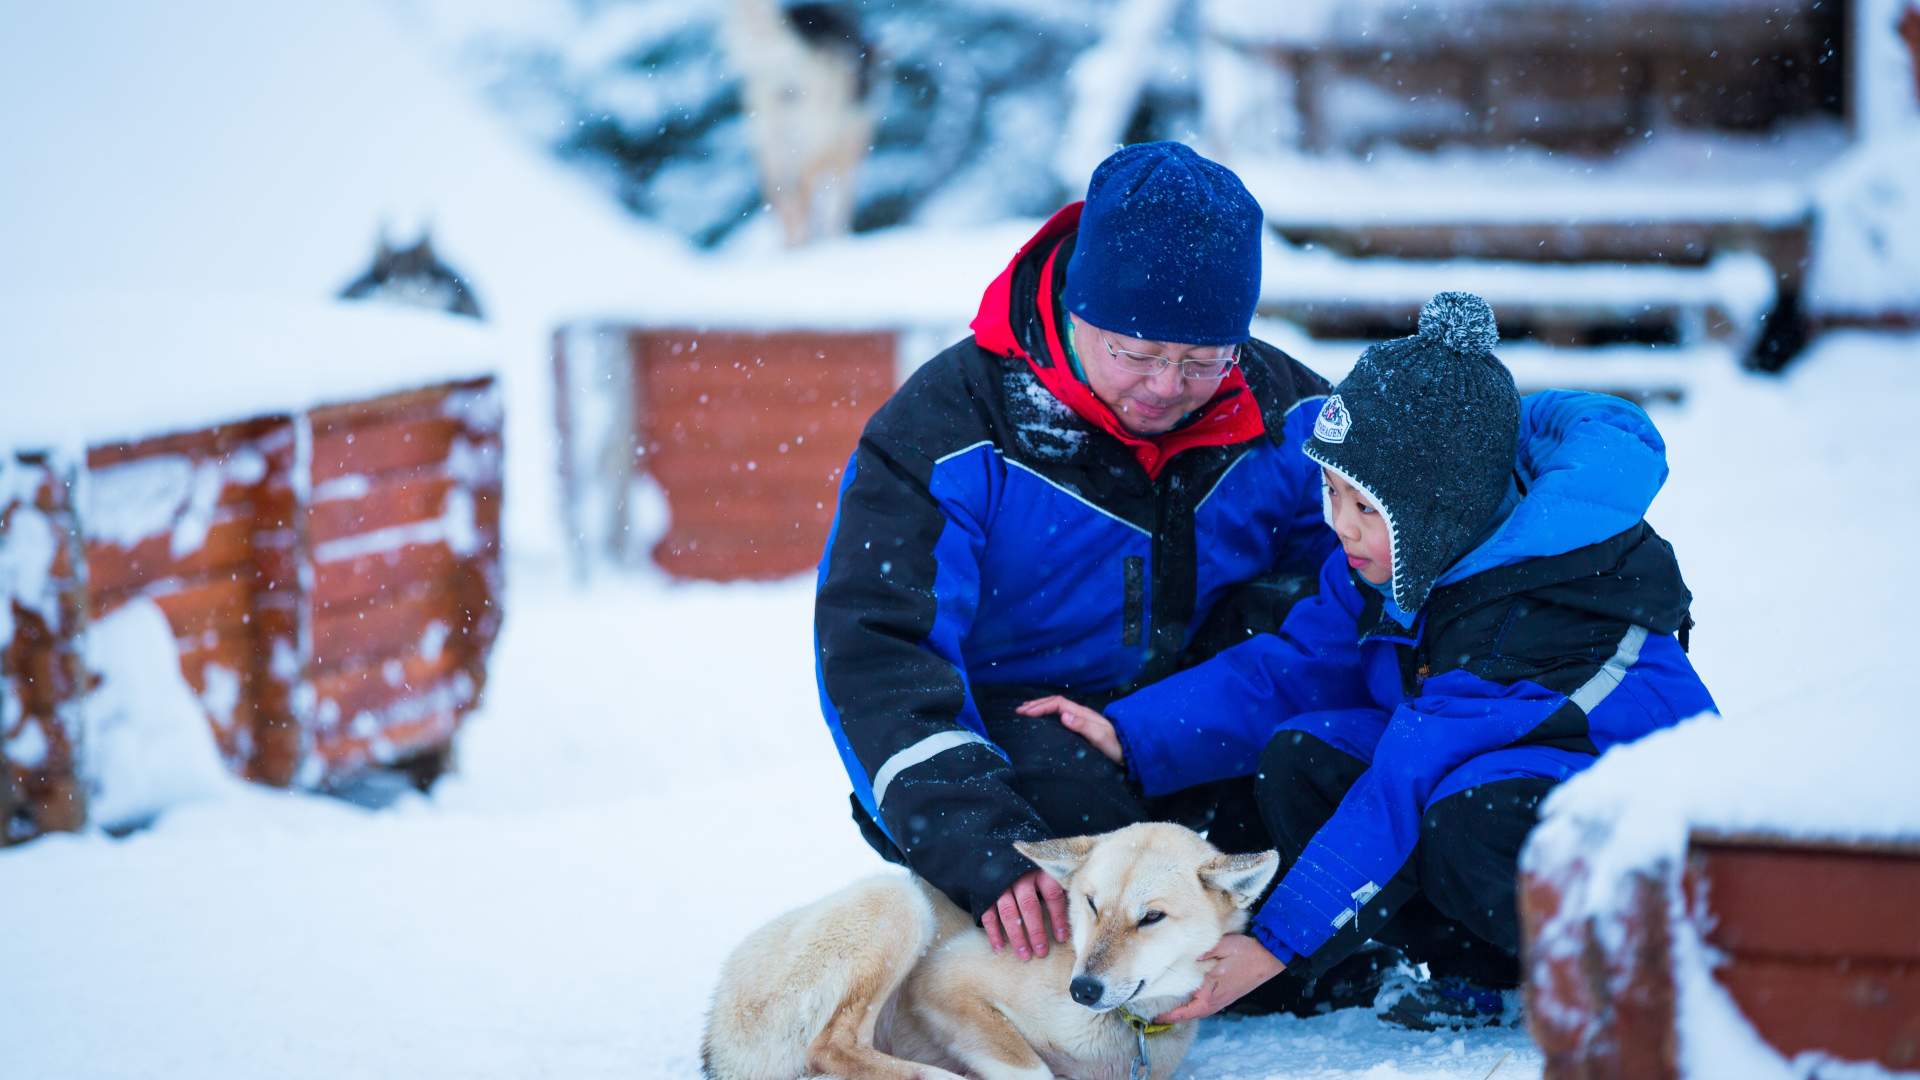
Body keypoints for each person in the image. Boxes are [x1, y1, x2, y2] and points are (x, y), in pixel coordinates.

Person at [1026, 292, 1718, 1028]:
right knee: (1304, 754)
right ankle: (1463, 970)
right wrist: (1131, 733)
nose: (1340, 526)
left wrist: (1274, 945)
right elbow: (1291, 667)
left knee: (1463, 813)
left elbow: (1403, 781)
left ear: (1439, 514)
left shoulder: (1531, 614)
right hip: (1491, 771)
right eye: (1331, 493)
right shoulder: (1394, 564)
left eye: (1363, 507)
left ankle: (1613, 985)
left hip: (1637, 826)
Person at [813, 141, 1337, 960]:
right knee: (1076, 842)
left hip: (1207, 718)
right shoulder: (945, 431)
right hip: (1026, 749)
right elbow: (877, 647)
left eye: (1202, 361)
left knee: (1329, 757)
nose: (1166, 386)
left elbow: (1362, 585)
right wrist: (977, 839)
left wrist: (1164, 723)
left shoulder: (1292, 416)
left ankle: (1295, 961)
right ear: (1074, 310)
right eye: (1135, 354)